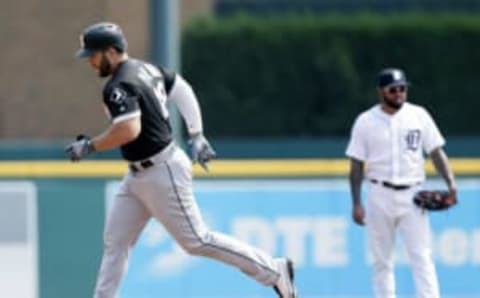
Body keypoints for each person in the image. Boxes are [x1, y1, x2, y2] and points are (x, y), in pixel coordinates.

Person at [65, 22, 298, 298]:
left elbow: (129, 129)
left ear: (113, 51)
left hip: (162, 171)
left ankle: (273, 270)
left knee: (197, 241)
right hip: (139, 175)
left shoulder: (119, 84)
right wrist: (196, 133)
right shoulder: (145, 69)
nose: (91, 60)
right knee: (116, 242)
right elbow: (181, 88)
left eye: (94, 53)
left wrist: (90, 146)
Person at [345, 68, 457, 298]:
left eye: (402, 88)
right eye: (393, 89)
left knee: (422, 257)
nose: (399, 93)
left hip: (413, 194)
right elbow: (356, 165)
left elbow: (436, 152)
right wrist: (356, 202)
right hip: (379, 192)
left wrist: (451, 184)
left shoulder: (418, 115)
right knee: (381, 261)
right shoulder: (366, 121)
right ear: (381, 92)